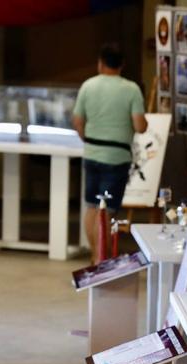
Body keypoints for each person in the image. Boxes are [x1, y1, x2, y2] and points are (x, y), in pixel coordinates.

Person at [72, 42, 148, 263]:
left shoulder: (87, 86)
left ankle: (95, 255)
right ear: (122, 65)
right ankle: (99, 259)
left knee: (92, 206)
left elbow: (77, 121)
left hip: (92, 153)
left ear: (100, 63)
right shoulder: (131, 89)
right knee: (107, 210)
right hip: (117, 157)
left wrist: (87, 138)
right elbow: (140, 126)